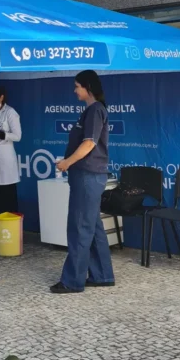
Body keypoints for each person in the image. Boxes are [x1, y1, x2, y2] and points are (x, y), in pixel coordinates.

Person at [51, 70, 115, 294]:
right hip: (87, 176)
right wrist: (68, 162)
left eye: (77, 86)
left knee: (79, 228)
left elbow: (89, 144)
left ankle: (72, 281)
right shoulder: (91, 111)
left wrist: (67, 162)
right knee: (93, 226)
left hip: (88, 177)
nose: (74, 90)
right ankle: (102, 275)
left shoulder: (95, 110)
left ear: (88, 87)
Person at [0, 86, 22, 235]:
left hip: (5, 161)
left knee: (6, 197)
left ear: (1, 97)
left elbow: (17, 136)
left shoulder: (10, 113)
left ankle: (10, 233)